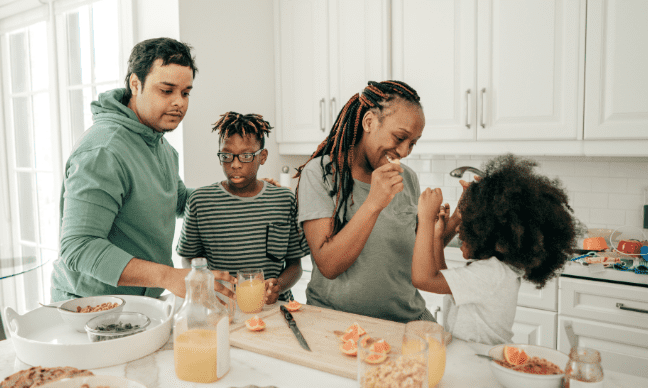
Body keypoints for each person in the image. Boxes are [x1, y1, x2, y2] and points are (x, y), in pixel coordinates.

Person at [51, 37, 235, 302]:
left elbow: (177, 199)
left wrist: (237, 191)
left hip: (140, 303)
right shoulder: (104, 150)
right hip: (90, 306)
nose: (179, 103)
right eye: (167, 90)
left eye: (185, 93)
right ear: (135, 84)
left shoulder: (158, 143)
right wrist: (170, 276)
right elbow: (79, 247)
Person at [294, 80, 462, 323]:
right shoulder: (320, 173)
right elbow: (329, 265)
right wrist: (374, 202)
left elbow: (419, 253)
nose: (405, 152)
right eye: (399, 137)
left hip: (407, 321)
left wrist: (458, 218)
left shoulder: (408, 179)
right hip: (336, 323)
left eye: (413, 142)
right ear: (369, 122)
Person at [412, 154, 580, 345]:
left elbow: (423, 279)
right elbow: (442, 278)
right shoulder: (498, 270)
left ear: (493, 236)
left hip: (479, 360)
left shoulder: (491, 274)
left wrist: (425, 218)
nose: (458, 228)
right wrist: (437, 237)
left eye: (467, 225)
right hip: (471, 356)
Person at [176, 112, 310, 304]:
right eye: (227, 156)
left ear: (262, 157)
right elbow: (189, 260)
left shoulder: (284, 200)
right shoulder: (200, 201)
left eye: (246, 156)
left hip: (274, 308)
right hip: (222, 306)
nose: (235, 164)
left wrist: (278, 285)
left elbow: (295, 265)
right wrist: (204, 282)